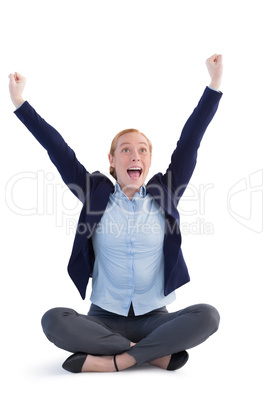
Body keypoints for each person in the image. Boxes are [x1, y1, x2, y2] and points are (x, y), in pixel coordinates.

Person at [8, 54, 223, 373]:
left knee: (208, 315)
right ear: (112, 159)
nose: (134, 155)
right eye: (125, 149)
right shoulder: (94, 193)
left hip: (155, 320)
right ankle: (157, 355)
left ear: (149, 161)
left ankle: (115, 361)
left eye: (142, 150)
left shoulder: (167, 192)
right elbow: (58, 150)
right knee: (53, 319)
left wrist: (214, 84)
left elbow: (190, 142)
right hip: (102, 321)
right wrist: (19, 101)